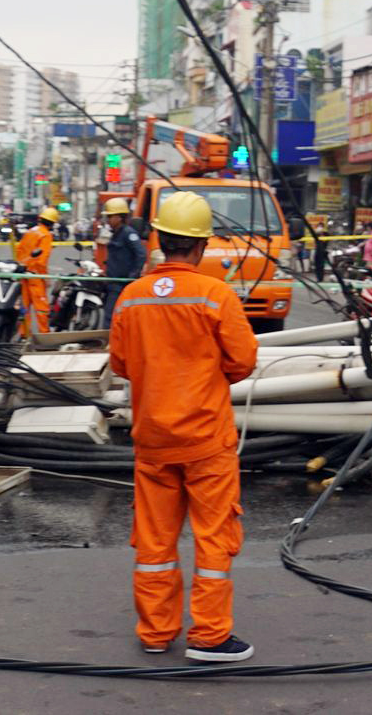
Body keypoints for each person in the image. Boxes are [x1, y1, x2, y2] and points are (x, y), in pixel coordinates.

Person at [107, 191, 257, 664]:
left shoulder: (131, 298)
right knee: (213, 537)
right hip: (206, 439)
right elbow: (243, 361)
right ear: (201, 245)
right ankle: (209, 638)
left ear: (159, 239)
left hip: (152, 440)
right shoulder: (216, 295)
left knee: (154, 542)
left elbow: (123, 364)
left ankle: (155, 632)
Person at [100, 197, 145, 322]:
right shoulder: (116, 233)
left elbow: (141, 254)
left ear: (119, 217)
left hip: (121, 284)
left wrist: (132, 276)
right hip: (112, 282)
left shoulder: (128, 233)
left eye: (110, 217)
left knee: (110, 319)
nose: (108, 220)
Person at [16, 205, 57, 337]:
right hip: (35, 275)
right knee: (41, 307)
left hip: (23, 273)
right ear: (52, 223)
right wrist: (45, 277)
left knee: (25, 306)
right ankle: (44, 334)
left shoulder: (30, 231)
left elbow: (19, 251)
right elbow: (42, 260)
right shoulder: (46, 235)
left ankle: (24, 334)